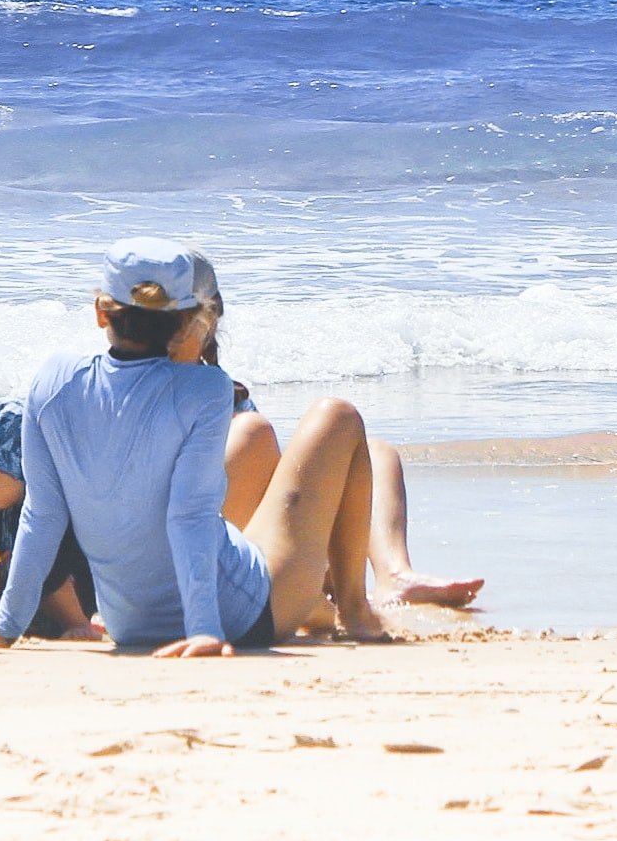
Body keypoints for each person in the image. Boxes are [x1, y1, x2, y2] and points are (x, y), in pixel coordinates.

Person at [0, 243, 390, 655]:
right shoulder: (206, 388)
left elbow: (44, 514)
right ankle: (354, 610)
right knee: (336, 416)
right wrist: (205, 629)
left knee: (245, 466)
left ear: (100, 312)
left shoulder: (52, 382)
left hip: (130, 626)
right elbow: (189, 515)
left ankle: (322, 607)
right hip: (244, 617)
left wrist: (4, 626)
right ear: (186, 321)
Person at [185, 252, 485, 612]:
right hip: (222, 552)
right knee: (263, 435)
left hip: (258, 535)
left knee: (375, 452)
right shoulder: (195, 397)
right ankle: (343, 595)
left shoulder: (220, 391)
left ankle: (395, 574)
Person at [0, 398, 99, 640]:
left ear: (27, 473)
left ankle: (78, 624)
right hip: (14, 597)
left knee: (36, 562)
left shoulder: (48, 508)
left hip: (67, 588)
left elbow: (66, 560)